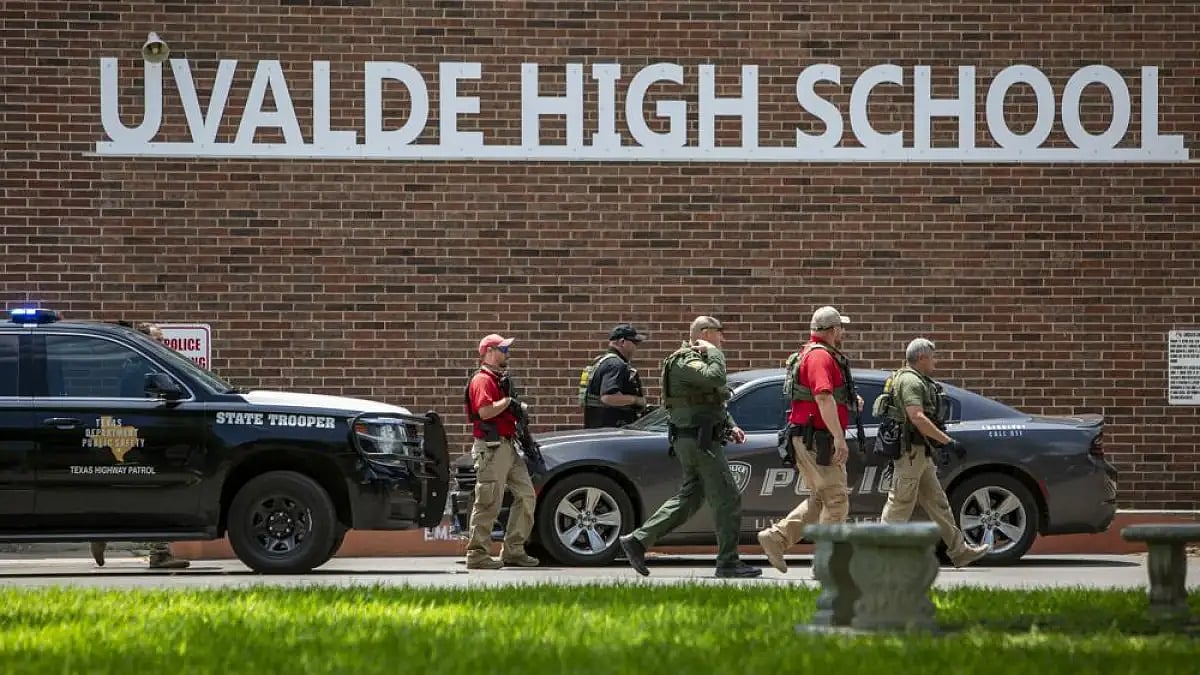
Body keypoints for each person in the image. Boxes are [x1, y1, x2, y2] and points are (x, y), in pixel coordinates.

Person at [619, 316, 761, 578]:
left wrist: (730, 425)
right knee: (728, 498)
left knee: (690, 498)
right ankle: (728, 562)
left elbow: (711, 400)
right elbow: (715, 378)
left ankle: (637, 541)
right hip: (698, 441)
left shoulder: (696, 360)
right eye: (719, 334)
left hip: (698, 438)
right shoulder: (686, 360)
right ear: (706, 334)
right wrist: (715, 353)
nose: (722, 340)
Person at [756, 306, 859, 574]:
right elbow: (822, 396)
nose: (843, 333)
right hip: (818, 440)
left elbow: (826, 396)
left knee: (820, 500)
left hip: (810, 437)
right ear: (834, 330)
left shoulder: (813, 354)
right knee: (836, 500)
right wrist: (839, 438)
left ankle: (776, 538)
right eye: (841, 328)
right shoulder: (821, 358)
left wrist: (847, 402)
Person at [878, 338, 990, 567]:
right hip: (910, 454)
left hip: (920, 453)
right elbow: (916, 416)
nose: (935, 362)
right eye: (932, 357)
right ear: (921, 358)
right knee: (900, 503)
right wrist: (947, 442)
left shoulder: (916, 379)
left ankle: (959, 551)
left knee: (938, 503)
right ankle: (877, 554)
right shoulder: (910, 381)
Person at [92, 321, 190, 570]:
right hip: (145, 441)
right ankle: (159, 553)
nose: (161, 344)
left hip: (143, 439)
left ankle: (102, 530)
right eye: (157, 340)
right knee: (157, 495)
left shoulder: (138, 367)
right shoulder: (143, 369)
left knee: (138, 495)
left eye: (162, 340)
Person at [462, 333, 539, 570]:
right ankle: (477, 554)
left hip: (507, 445)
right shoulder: (482, 380)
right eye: (502, 349)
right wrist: (508, 403)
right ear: (488, 352)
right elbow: (484, 411)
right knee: (489, 501)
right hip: (492, 448)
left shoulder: (498, 379)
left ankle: (514, 550)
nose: (507, 353)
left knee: (526, 495)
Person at [580, 323, 648, 428]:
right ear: (622, 342)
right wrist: (636, 400)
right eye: (634, 342)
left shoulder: (600, 361)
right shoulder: (616, 364)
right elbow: (608, 397)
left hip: (597, 428)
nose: (636, 347)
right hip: (612, 429)